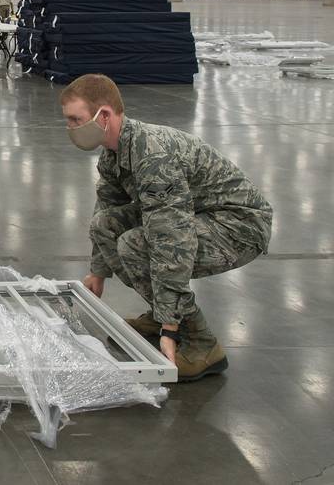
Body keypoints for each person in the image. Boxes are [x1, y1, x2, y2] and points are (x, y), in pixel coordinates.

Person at [60, 75, 272, 382]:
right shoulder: (113, 152)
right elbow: (107, 210)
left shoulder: (154, 157)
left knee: (135, 245)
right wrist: (98, 271)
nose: (71, 128)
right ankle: (160, 312)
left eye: (75, 120)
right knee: (105, 225)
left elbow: (172, 241)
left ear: (103, 116)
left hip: (239, 225)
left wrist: (171, 328)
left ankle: (201, 342)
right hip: (198, 214)